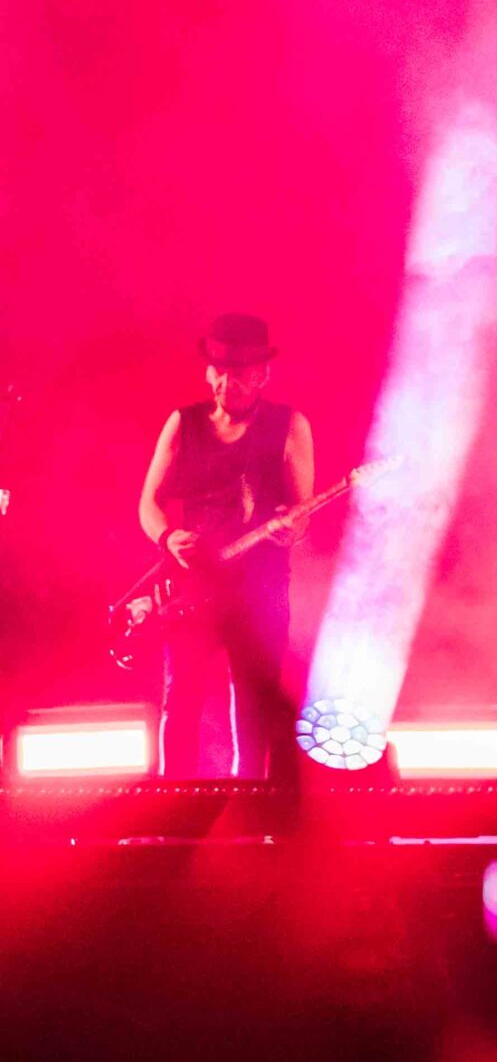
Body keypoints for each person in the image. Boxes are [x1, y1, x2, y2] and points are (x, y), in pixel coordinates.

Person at [136, 313, 315, 779]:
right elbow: (148, 503)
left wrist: (291, 528)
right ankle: (174, 803)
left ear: (262, 375)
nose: (225, 383)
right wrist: (167, 536)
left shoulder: (289, 426)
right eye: (218, 371)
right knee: (180, 702)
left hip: (260, 590)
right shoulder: (184, 423)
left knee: (254, 706)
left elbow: (302, 513)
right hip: (193, 588)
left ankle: (249, 804)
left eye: (238, 373)